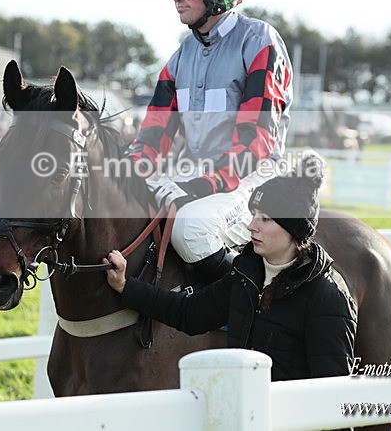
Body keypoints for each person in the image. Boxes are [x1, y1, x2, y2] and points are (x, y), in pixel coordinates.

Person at [125, 0, 293, 282]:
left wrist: (201, 185)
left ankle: (250, 317)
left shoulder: (260, 41)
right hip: (200, 174)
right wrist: (126, 174)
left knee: (190, 230)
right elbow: (153, 136)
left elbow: (256, 143)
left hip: (258, 177)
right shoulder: (179, 57)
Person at [105, 152, 357, 381]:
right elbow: (188, 313)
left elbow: (331, 397)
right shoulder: (247, 274)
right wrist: (126, 286)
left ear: (294, 230)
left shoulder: (328, 297)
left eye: (265, 219)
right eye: (254, 215)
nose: (251, 226)